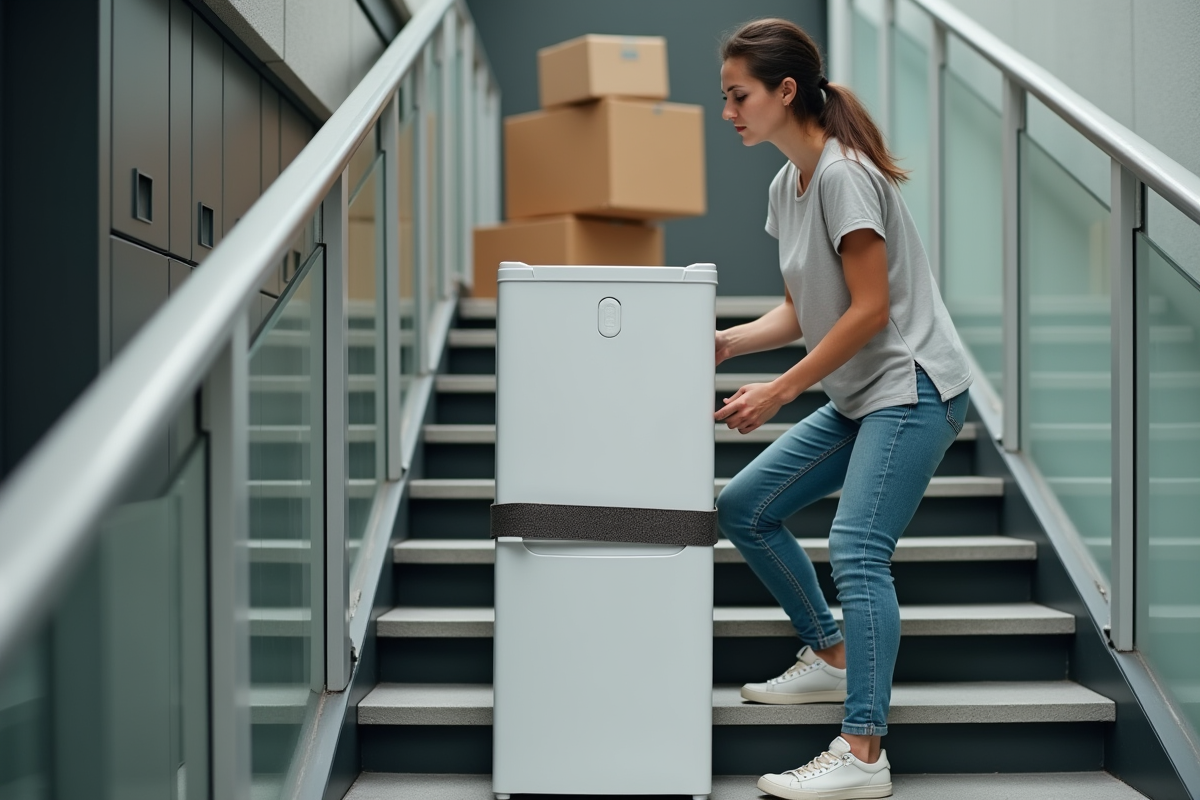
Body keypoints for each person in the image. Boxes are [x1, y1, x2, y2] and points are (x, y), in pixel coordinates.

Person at [713, 17, 972, 800]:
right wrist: (728, 344)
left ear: (785, 92)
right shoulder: (786, 184)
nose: (728, 113)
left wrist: (783, 388)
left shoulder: (843, 175)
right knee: (746, 506)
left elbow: (864, 310)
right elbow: (803, 310)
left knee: (858, 550)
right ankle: (828, 655)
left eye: (739, 96)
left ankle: (863, 753)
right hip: (864, 394)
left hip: (913, 388)